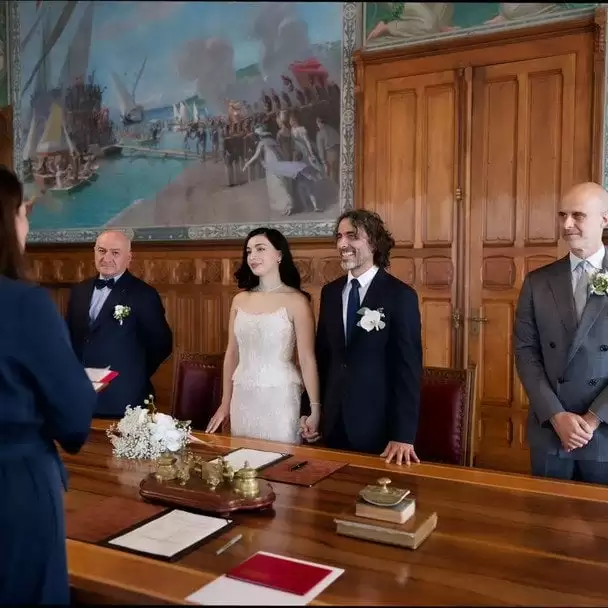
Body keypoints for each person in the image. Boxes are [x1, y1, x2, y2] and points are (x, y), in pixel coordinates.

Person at [0, 166, 98, 604]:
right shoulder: (23, 304)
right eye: (23, 213)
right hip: (14, 490)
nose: (27, 224)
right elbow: (74, 416)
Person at [301, 210, 423, 465]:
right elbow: (322, 358)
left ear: (374, 242)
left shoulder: (400, 296)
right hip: (332, 423)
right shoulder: (330, 293)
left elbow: (408, 369)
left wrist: (403, 435)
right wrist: (310, 410)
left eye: (352, 236)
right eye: (339, 237)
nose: (342, 244)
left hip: (378, 429)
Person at [514, 181, 608, 484]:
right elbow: (526, 353)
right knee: (546, 512)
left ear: (604, 219)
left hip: (604, 433)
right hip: (551, 431)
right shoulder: (537, 282)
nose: (567, 224)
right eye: (562, 215)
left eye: (578, 215)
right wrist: (556, 415)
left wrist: (593, 419)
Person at [206, 227, 321, 443]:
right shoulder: (239, 300)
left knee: (281, 459)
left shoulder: (297, 301)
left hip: (280, 395)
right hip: (243, 394)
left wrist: (315, 409)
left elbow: (307, 359)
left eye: (260, 249)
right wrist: (225, 402)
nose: (253, 256)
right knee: (241, 458)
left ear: (279, 255)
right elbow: (232, 353)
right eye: (249, 251)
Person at [65, 230, 173, 418]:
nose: (106, 258)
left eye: (115, 253)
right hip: (80, 396)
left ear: (128, 258)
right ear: (94, 252)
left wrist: (132, 372)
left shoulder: (144, 294)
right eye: (101, 251)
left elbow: (161, 345)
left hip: (124, 398)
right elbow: (69, 338)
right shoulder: (79, 291)